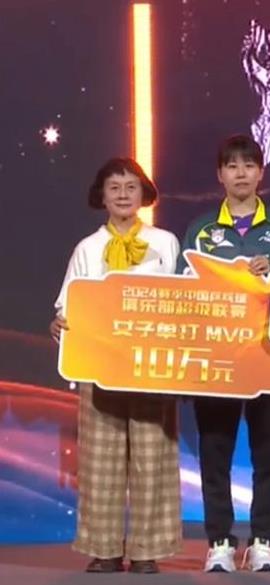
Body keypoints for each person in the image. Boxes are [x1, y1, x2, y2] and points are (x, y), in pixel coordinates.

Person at [50, 158, 182, 574]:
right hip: (99, 368)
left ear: (144, 194)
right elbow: (68, 306)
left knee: (152, 458)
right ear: (102, 197)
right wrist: (59, 324)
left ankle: (146, 550)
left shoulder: (165, 243)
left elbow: (183, 301)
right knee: (100, 462)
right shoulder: (87, 248)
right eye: (114, 187)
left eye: (131, 186)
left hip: (151, 368)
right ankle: (103, 548)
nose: (123, 194)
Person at [179, 134, 270, 573]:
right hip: (217, 361)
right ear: (220, 175)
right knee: (215, 454)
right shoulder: (201, 230)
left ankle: (264, 540)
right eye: (232, 166)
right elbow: (184, 290)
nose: (241, 173)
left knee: (269, 455)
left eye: (249, 165)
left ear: (261, 172)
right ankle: (220, 542)